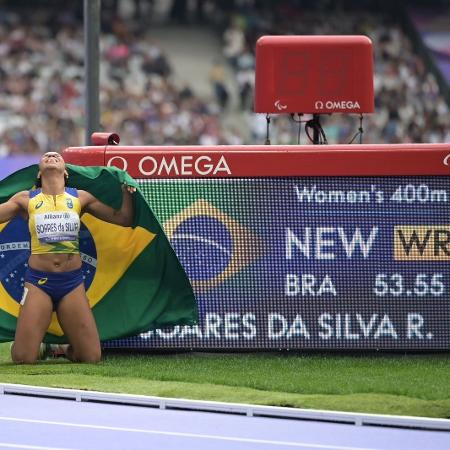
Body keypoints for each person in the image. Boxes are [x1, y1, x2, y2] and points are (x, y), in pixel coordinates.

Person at [0, 152, 136, 364]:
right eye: (46, 155)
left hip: (71, 283)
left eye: (57, 156)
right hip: (38, 282)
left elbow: (124, 219)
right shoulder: (25, 199)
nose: (52, 155)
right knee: (23, 358)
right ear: (38, 173)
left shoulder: (80, 197)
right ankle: (36, 345)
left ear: (66, 172)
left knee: (91, 357)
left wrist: (127, 192)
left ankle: (59, 349)